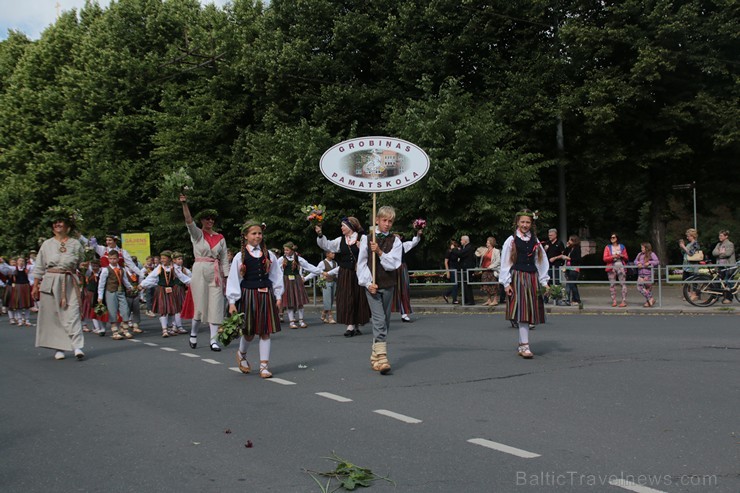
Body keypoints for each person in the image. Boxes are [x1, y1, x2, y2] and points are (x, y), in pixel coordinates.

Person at [226, 220, 283, 379]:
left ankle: (264, 366)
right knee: (249, 332)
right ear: (245, 236)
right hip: (248, 295)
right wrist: (232, 302)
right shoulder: (240, 256)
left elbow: (276, 276)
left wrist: (278, 296)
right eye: (254, 233)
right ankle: (241, 354)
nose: (257, 236)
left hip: (265, 295)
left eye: (259, 233)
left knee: (265, 331)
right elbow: (233, 280)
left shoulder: (269, 254)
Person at [31, 208, 86, 361]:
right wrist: (35, 285)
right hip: (50, 280)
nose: (57, 225)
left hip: (69, 280)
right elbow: (39, 266)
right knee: (54, 315)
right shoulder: (47, 244)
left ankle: (77, 347)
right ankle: (59, 348)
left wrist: (84, 268)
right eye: (55, 223)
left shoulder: (76, 244)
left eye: (60, 222)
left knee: (73, 312)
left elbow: (82, 263)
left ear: (68, 226)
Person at [357, 206, 403, 374]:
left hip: (388, 284)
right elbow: (361, 263)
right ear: (377, 220)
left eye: (390, 221)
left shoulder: (395, 241)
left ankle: (375, 355)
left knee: (385, 322)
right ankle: (383, 357)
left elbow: (394, 263)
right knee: (378, 320)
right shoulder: (366, 239)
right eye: (384, 220)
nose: (387, 224)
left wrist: (380, 252)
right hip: (372, 287)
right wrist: (368, 283)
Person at [180, 196, 230, 351]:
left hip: (215, 272)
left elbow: (224, 259)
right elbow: (188, 221)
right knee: (200, 305)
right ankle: (193, 333)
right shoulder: (197, 234)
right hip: (200, 269)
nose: (210, 221)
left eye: (212, 219)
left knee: (216, 305)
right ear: (201, 220)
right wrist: (184, 204)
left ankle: (213, 340)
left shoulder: (220, 238)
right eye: (207, 219)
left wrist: (226, 277)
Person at [499, 209, 549, 359]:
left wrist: (544, 281)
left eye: (528, 222)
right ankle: (525, 346)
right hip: (518, 278)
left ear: (531, 223)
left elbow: (541, 261)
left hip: (532, 277)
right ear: (517, 222)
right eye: (523, 222)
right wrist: (506, 283)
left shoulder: (535, 240)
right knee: (522, 312)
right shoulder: (511, 240)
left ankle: (523, 344)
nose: (525, 225)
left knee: (528, 312)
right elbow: (505, 262)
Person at [315, 217, 371, 337]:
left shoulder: (363, 238)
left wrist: (362, 248)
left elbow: (370, 253)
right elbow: (327, 245)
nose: (341, 228)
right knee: (347, 297)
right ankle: (350, 325)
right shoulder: (340, 240)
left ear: (350, 227)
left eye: (343, 226)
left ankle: (356, 324)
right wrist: (320, 234)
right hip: (345, 273)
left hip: (358, 273)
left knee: (358, 297)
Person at [138, 250, 191, 338]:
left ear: (169, 259)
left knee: (171, 310)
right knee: (163, 310)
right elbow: (151, 277)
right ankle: (164, 329)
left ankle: (170, 328)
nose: (162, 260)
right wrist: (142, 284)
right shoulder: (159, 268)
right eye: (161, 258)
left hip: (172, 290)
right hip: (162, 290)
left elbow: (183, 277)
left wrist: (193, 283)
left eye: (164, 258)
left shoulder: (174, 268)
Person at [278, 241, 322, 329]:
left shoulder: (298, 259)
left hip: (297, 280)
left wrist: (321, 272)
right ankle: (292, 322)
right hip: (287, 281)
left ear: (291, 250)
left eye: (287, 250)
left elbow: (309, 267)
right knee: (290, 302)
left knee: (300, 301)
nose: (285, 252)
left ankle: (301, 320)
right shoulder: (281, 259)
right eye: (284, 250)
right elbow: (275, 270)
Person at [97, 250, 134, 340]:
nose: (112, 260)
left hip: (121, 292)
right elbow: (101, 284)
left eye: (114, 259)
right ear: (108, 259)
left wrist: (130, 287)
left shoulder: (122, 269)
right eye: (110, 259)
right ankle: (115, 332)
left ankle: (125, 329)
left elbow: (125, 280)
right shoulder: (106, 270)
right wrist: (100, 296)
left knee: (125, 310)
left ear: (118, 259)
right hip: (111, 292)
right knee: (112, 311)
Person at [392, 229, 422, 322]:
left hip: (401, 268)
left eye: (397, 238)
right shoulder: (387, 247)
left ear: (400, 239)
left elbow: (414, 242)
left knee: (404, 289)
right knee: (387, 291)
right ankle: (383, 313)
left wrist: (418, 234)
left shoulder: (403, 246)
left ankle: (404, 313)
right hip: (390, 268)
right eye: (394, 238)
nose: (396, 240)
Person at [2, 257, 33, 326]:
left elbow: (33, 271)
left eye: (22, 261)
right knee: (18, 304)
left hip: (26, 286)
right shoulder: (14, 269)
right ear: (17, 262)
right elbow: (7, 267)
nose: (21, 262)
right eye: (20, 261)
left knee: (27, 305)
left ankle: (27, 320)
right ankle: (19, 320)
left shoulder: (27, 269)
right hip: (18, 287)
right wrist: (3, 262)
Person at [603, 233, 629, 307]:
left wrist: (622, 255)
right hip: (611, 267)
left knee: (623, 283)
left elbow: (627, 258)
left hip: (621, 266)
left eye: (613, 237)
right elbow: (605, 258)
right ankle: (614, 301)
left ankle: (623, 301)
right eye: (611, 237)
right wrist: (613, 256)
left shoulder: (622, 246)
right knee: (612, 284)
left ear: (617, 238)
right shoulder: (607, 247)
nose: (612, 239)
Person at [712, 230, 736, 304]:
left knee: (727, 281)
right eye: (719, 235)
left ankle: (728, 298)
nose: (720, 237)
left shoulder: (730, 244)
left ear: (726, 236)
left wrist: (719, 253)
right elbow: (713, 253)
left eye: (721, 236)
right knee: (717, 281)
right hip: (720, 266)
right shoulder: (718, 244)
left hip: (729, 266)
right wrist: (721, 252)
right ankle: (715, 297)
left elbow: (728, 254)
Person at [679, 228, 702, 302]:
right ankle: (688, 294)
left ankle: (695, 294)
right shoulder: (689, 244)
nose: (687, 237)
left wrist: (684, 247)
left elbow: (691, 253)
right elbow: (684, 253)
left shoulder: (696, 244)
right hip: (686, 265)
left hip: (692, 266)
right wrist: (682, 248)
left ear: (693, 236)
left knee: (694, 280)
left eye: (688, 236)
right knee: (685, 280)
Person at [634, 242, 659, 307]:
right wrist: (638, 263)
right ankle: (651, 298)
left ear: (646, 248)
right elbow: (635, 261)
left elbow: (657, 261)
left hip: (648, 274)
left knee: (648, 289)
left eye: (642, 247)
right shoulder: (639, 254)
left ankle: (648, 302)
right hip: (640, 274)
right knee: (639, 287)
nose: (641, 249)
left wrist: (649, 262)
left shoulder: (652, 254)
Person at [315, 250, 337, 324]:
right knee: (327, 299)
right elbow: (318, 271)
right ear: (327, 254)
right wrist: (322, 278)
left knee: (331, 299)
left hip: (333, 281)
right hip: (326, 282)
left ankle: (323, 314)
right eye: (332, 253)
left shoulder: (335, 263)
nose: (334, 254)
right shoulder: (322, 263)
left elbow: (336, 272)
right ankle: (330, 316)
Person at [479, 237, 501, 306]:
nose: (486, 243)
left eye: (488, 242)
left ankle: (495, 300)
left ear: (491, 243)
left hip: (492, 270)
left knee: (493, 285)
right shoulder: (485, 250)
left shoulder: (496, 251)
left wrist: (490, 266)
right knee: (486, 285)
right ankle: (488, 300)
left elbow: (498, 261)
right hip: (485, 270)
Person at [562, 235, 582, 306]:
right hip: (568, 268)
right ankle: (574, 299)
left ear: (574, 241)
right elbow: (564, 254)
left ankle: (575, 299)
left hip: (574, 268)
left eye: (570, 240)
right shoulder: (570, 248)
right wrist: (567, 247)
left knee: (571, 284)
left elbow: (578, 259)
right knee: (572, 284)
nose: (569, 241)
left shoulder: (577, 249)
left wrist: (569, 259)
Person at [458, 235, 476, 305]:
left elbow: (461, 254)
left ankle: (470, 300)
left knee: (467, 284)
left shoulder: (469, 247)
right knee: (465, 284)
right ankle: (466, 299)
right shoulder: (465, 247)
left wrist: (454, 250)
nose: (460, 241)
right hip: (465, 268)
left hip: (467, 268)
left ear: (465, 241)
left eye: (461, 240)